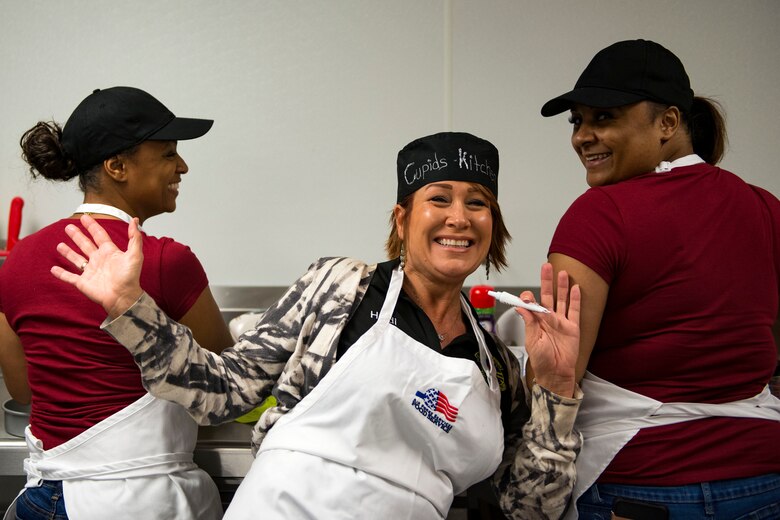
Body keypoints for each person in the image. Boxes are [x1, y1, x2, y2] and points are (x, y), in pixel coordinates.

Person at [52, 131, 584, 519]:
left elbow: (531, 508)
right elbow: (222, 391)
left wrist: (558, 391)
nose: (459, 217)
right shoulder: (338, 287)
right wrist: (130, 307)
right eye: (438, 198)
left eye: (478, 203)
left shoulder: (494, 366)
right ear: (402, 219)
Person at [541, 39, 780, 519]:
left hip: (642, 487)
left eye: (604, 118)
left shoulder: (600, 215)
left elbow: (558, 380)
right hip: (763, 481)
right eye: (578, 121)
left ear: (668, 123)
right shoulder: (764, 207)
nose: (582, 136)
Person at [0, 86, 233, 520]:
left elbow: (22, 389)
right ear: (117, 166)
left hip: (45, 501)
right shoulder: (166, 260)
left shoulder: (16, 262)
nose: (182, 166)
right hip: (139, 505)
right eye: (167, 154)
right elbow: (223, 384)